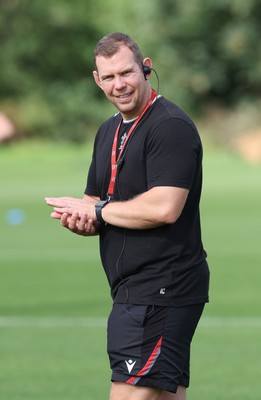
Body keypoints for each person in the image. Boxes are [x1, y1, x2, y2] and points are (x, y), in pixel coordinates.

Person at [45, 32, 210, 400]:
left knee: (130, 393)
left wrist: (99, 210)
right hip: (131, 289)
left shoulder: (169, 127)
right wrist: (82, 218)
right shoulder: (107, 130)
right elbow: (97, 200)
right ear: (96, 79)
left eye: (127, 73)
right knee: (164, 395)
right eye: (109, 77)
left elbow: (165, 207)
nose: (118, 85)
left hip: (162, 287)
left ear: (146, 68)